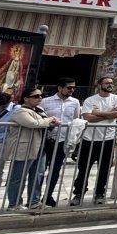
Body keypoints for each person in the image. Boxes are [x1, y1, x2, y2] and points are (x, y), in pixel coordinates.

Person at [70, 77, 117, 206]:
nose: (110, 85)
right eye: (107, 83)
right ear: (99, 85)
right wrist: (108, 114)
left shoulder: (116, 99)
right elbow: (88, 118)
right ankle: (78, 193)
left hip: (108, 139)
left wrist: (98, 113)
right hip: (90, 139)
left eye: (111, 83)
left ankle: (100, 193)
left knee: (104, 168)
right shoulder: (90, 100)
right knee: (84, 168)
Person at [4, 88, 60, 210]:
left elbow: (44, 123)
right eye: (36, 96)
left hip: (40, 146)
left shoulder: (40, 110)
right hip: (25, 147)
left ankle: (34, 201)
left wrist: (51, 122)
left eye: (41, 96)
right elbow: (33, 123)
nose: (40, 98)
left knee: (38, 175)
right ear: (26, 98)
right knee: (18, 176)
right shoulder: (20, 111)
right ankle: (14, 203)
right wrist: (50, 119)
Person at [37, 78, 81, 206]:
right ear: (60, 88)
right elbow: (40, 117)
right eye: (69, 88)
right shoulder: (45, 101)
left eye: (73, 88)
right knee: (40, 170)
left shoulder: (75, 102)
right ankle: (35, 196)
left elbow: (75, 120)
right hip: (46, 139)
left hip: (62, 140)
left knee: (55, 170)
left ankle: (48, 195)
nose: (72, 90)